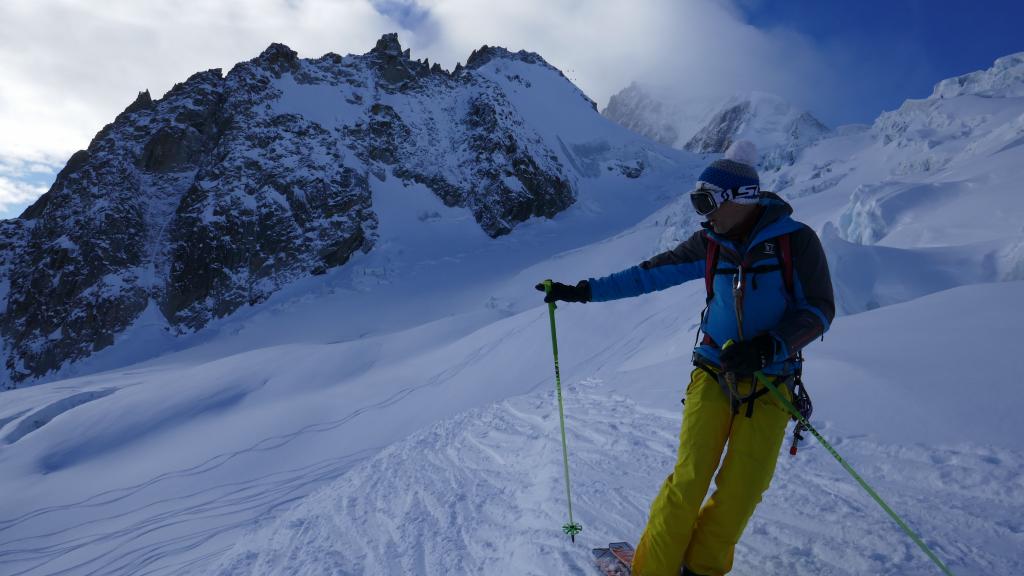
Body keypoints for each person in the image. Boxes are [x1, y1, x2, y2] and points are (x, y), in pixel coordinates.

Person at [537, 141, 835, 576]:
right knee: (690, 478)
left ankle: (701, 569)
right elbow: (647, 275)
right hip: (713, 373)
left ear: (741, 198)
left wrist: (770, 346)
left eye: (707, 202)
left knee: (742, 489)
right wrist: (580, 291)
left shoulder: (796, 242)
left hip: (772, 381)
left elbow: (820, 309)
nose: (702, 213)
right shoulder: (709, 243)